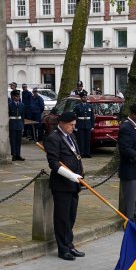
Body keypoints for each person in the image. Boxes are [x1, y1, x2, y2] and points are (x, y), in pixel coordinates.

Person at [44, 111, 85, 260]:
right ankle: (63, 249)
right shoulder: (53, 138)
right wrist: (71, 175)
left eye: (74, 125)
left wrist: (80, 176)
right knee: (61, 219)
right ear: (62, 123)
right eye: (71, 125)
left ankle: (69, 244)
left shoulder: (71, 136)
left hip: (74, 184)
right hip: (62, 185)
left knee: (71, 217)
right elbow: (53, 163)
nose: (73, 128)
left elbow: (77, 157)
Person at [73, 90, 94, 158]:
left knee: (87, 140)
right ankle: (81, 153)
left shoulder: (90, 106)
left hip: (88, 124)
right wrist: (75, 125)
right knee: (80, 140)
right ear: (81, 98)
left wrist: (92, 125)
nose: (85, 98)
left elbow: (92, 116)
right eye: (84, 97)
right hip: (80, 124)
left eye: (85, 97)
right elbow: (75, 117)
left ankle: (87, 153)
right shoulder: (77, 106)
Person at [7, 89, 25, 161]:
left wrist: (22, 125)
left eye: (18, 96)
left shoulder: (22, 105)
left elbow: (23, 116)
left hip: (19, 124)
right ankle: (13, 155)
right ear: (12, 97)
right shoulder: (9, 105)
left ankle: (18, 154)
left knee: (18, 141)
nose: (18, 97)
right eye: (16, 96)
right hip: (12, 123)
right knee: (13, 141)